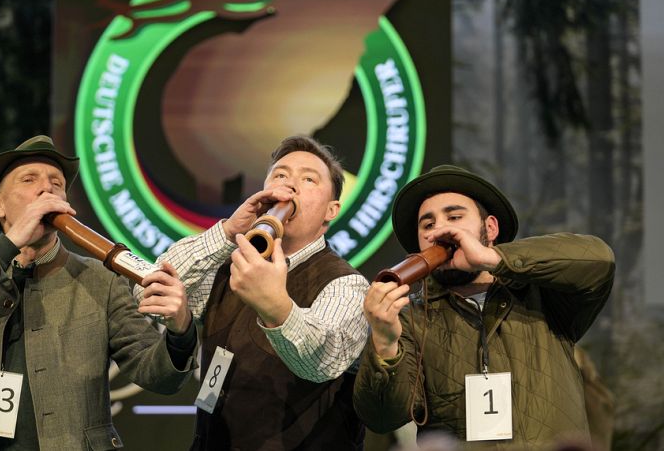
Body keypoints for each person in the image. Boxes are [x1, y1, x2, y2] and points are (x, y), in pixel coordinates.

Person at [0, 136, 197, 451]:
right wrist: (11, 244)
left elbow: (157, 375)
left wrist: (180, 329)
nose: (46, 190)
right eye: (29, 180)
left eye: (56, 184)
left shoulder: (101, 280)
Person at [353, 165, 615, 449]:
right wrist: (384, 342)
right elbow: (380, 418)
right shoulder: (409, 318)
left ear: (490, 228)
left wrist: (492, 258)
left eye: (454, 217)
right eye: (427, 225)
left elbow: (599, 260)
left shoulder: (543, 294)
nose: (440, 230)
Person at [135, 135, 369, 450]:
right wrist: (228, 231)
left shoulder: (346, 284)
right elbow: (150, 291)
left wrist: (275, 307)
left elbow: (322, 361)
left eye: (308, 179)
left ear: (331, 210)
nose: (290, 186)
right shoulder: (232, 262)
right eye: (280, 175)